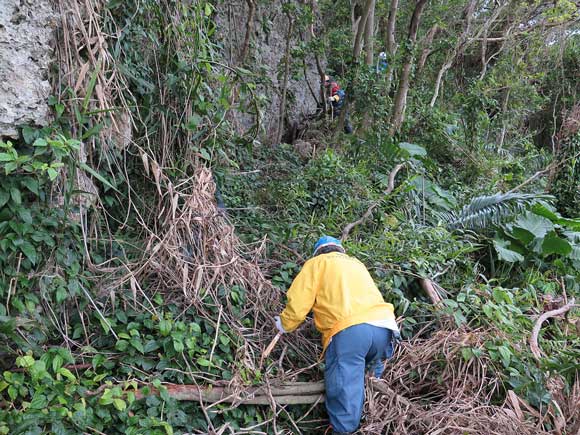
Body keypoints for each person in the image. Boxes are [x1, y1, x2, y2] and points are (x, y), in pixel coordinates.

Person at [274, 236, 399, 435]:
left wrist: (284, 324)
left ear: (317, 253)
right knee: (370, 381)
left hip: (351, 332)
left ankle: (343, 430)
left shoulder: (317, 264)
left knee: (343, 387)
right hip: (384, 328)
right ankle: (376, 420)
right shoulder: (356, 264)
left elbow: (299, 304)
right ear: (340, 250)